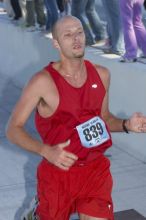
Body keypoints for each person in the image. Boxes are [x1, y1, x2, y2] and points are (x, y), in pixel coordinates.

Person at [6, 15, 146, 220]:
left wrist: (127, 125)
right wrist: (45, 150)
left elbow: (104, 119)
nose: (76, 39)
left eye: (79, 32)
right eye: (68, 35)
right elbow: (13, 129)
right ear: (56, 43)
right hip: (58, 174)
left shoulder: (102, 74)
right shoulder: (42, 82)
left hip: (95, 171)